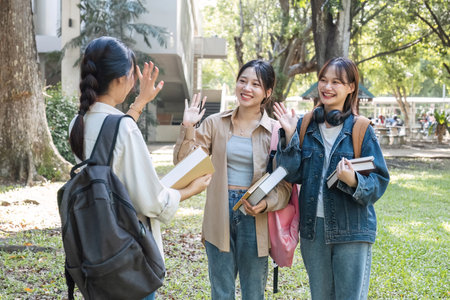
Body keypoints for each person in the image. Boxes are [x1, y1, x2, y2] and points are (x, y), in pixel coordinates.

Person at [68, 36, 211, 300]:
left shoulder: (78, 123)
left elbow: (109, 145)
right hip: (127, 255)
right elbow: (151, 202)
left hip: (93, 249)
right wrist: (190, 190)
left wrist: (139, 103)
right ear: (121, 79)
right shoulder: (124, 128)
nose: (135, 81)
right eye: (133, 75)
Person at [173, 60, 291, 299]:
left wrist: (265, 204)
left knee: (253, 291)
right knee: (221, 290)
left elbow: (286, 187)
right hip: (219, 213)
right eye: (242, 81)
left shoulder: (277, 131)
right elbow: (184, 165)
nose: (246, 88)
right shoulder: (215, 124)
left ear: (267, 92)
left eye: (255, 84)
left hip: (255, 215)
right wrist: (187, 126)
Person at [274, 57, 389, 300]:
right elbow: (292, 174)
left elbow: (379, 182)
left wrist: (354, 181)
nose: (327, 87)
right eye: (323, 80)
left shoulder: (361, 129)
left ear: (350, 88)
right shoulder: (306, 125)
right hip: (313, 229)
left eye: (336, 82)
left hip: (352, 229)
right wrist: (290, 136)